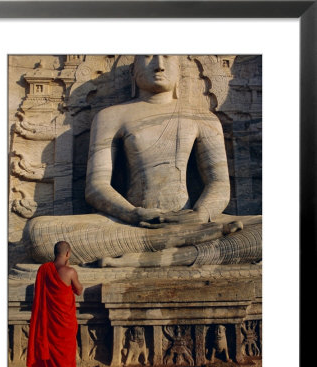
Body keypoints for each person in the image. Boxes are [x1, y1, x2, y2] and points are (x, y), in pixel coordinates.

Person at [28, 55, 261, 267]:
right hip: (131, 224)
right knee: (40, 235)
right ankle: (187, 244)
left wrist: (201, 214)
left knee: (267, 231)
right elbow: (97, 187)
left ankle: (158, 251)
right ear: (133, 72)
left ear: (179, 71)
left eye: (167, 58)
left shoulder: (202, 118)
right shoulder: (111, 116)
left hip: (192, 219)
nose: (158, 64)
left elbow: (219, 183)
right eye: (148, 57)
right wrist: (135, 214)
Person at [27, 241, 83, 367]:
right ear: (68, 253)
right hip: (65, 323)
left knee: (51, 355)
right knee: (65, 356)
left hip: (49, 322)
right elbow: (78, 290)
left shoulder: (44, 269)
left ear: (55, 253)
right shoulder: (70, 271)